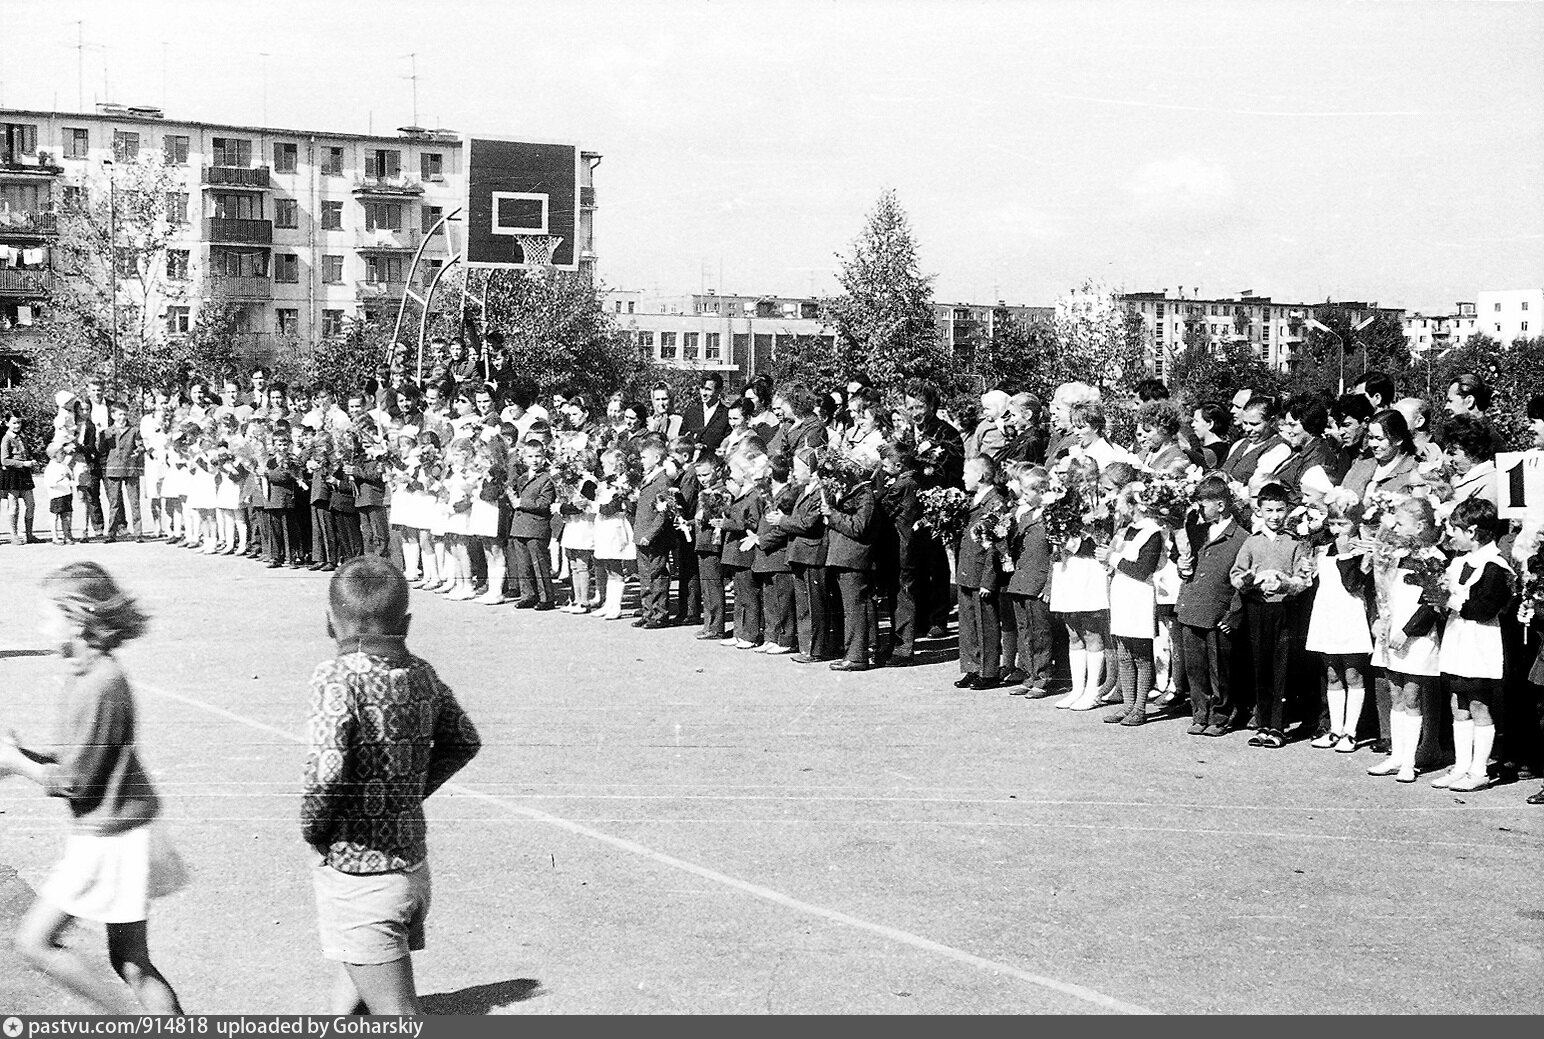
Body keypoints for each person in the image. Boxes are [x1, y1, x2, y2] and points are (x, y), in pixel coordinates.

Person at [0, 562, 187, 1013]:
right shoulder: (90, 673)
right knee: (132, 962)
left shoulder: (99, 683)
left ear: (77, 618)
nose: (42, 626)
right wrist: (30, 754)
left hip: (110, 837)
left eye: (48, 616)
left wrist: (16, 763)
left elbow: (77, 782)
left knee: (35, 941)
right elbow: (84, 756)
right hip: (122, 828)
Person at [301, 556, 481, 1015]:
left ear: (329, 623)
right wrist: (407, 792)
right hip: (411, 867)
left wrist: (315, 829)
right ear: (406, 622)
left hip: (360, 877)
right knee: (347, 1004)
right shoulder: (421, 671)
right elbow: (463, 740)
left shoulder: (336, 676)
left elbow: (326, 773)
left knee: (398, 1017)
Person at [1431, 498, 1513, 791]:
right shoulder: (1459, 562)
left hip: (1479, 643)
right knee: (1458, 703)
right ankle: (1462, 766)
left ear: (1473, 531)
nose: (1452, 534)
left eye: (1456, 529)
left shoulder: (1494, 566)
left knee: (1478, 703)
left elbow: (1482, 609)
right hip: (1458, 639)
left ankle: (1479, 771)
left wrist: (1447, 598)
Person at [1367, 497, 1445, 780]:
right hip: (1392, 631)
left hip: (1416, 636)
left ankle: (1409, 762)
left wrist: (1408, 631)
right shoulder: (1396, 556)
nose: (1395, 528)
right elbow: (1384, 592)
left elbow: (1432, 605)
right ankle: (1396, 756)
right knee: (1395, 693)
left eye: (1401, 523)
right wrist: (1380, 620)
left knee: (1412, 697)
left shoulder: (1434, 559)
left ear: (1420, 525)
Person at [1231, 482, 1311, 749]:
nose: (1275, 516)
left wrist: (1286, 584)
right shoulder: (1252, 542)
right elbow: (1236, 575)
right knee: (1260, 665)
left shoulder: (1294, 543)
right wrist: (1250, 579)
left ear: (1287, 510)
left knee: (1282, 666)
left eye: (1279, 510)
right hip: (1258, 609)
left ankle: (1278, 726)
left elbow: (1304, 578)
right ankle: (1263, 723)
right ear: (1260, 511)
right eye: (1269, 510)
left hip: (1285, 610)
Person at [1305, 490, 1376, 756]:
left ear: (1355, 524)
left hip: (1351, 615)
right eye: (1333, 523)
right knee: (1332, 673)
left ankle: (1351, 732)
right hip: (1327, 614)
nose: (1337, 530)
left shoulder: (1363, 550)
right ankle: (1334, 730)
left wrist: (1347, 554)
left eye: (1343, 524)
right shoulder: (1324, 547)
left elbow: (1354, 584)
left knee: (1352, 674)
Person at [1177, 474, 1249, 736]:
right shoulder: (1197, 531)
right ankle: (1200, 713)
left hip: (1218, 612)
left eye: (1203, 504)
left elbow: (1244, 581)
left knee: (1221, 670)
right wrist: (1182, 568)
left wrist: (1233, 614)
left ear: (1220, 504)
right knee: (1194, 668)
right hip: (1192, 606)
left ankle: (1220, 716)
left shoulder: (1240, 538)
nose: (1199, 510)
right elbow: (1189, 566)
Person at [1100, 482, 1166, 726]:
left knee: (1140, 654)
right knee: (1124, 652)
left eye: (1121, 500)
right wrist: (1107, 560)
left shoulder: (1152, 532)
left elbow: (1142, 570)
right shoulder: (1126, 530)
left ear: (1134, 504)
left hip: (1139, 594)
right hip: (1121, 592)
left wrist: (1112, 558)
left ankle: (1140, 708)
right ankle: (1127, 706)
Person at [953, 454, 1009, 690]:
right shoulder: (973, 499)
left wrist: (989, 580)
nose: (963, 477)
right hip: (967, 570)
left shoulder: (995, 502)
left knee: (986, 624)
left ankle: (988, 671)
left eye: (967, 473)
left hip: (982, 573)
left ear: (981, 476)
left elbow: (996, 546)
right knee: (967, 623)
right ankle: (971, 667)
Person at [1001, 463, 1054, 696]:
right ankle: (1028, 673)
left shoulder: (1050, 515)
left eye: (1027, 491)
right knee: (1024, 629)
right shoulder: (1024, 514)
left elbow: (1056, 553)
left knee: (1039, 631)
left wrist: (1050, 583)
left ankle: (1042, 677)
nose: (1022, 495)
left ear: (1041, 491)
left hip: (1038, 581)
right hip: (1020, 580)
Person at [774, 447, 831, 662]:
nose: (794, 473)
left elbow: (807, 524)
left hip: (812, 554)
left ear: (811, 469)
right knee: (804, 604)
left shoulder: (819, 492)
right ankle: (807, 646)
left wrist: (782, 522)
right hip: (800, 553)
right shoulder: (805, 490)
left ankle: (816, 649)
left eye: (798, 468)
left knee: (814, 605)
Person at [720, 443, 767, 648]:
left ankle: (750, 634)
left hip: (745, 552)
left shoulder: (753, 495)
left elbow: (752, 523)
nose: (730, 475)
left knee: (748, 595)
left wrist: (726, 523)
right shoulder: (741, 494)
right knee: (739, 595)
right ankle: (739, 632)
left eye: (733, 470)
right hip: (735, 551)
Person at [507, 439, 557, 610]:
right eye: (530, 456)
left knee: (539, 564)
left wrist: (521, 502)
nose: (534, 460)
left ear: (544, 457)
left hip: (537, 527)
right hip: (520, 525)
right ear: (524, 458)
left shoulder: (546, 479)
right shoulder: (522, 478)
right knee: (523, 564)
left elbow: (544, 503)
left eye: (538, 456)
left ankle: (546, 597)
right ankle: (528, 595)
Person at [631, 436, 675, 628]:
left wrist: (650, 534)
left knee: (656, 574)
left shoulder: (662, 480)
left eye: (643, 457)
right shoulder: (649, 478)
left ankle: (659, 613)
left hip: (653, 537)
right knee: (645, 575)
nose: (641, 461)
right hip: (642, 533)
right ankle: (647, 611)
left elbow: (664, 513)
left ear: (656, 458)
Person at [1341, 409, 1419, 502]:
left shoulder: (1416, 471)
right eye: (1371, 437)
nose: (1373, 444)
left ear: (1398, 439)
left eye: (1379, 439)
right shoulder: (1359, 467)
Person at [99, 400, 144, 543]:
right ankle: (111, 533)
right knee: (114, 503)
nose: (123, 417)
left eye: (125, 414)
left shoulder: (134, 430)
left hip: (131, 469)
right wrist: (101, 438)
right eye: (119, 414)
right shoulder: (107, 432)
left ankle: (138, 533)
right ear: (112, 415)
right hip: (113, 469)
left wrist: (138, 451)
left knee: (134, 502)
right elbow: (101, 450)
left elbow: (140, 446)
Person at [2, 411, 39, 543]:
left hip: (25, 474)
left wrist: (31, 462)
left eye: (19, 422)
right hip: (13, 475)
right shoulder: (6, 439)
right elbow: (4, 460)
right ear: (7, 423)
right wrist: (23, 463)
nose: (17, 425)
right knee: (14, 505)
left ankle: (29, 534)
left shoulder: (23, 437)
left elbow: (25, 454)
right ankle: (14, 535)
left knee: (31, 504)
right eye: (14, 423)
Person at [680, 373, 731, 454]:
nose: (703, 393)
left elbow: (728, 443)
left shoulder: (727, 415)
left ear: (719, 391)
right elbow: (681, 441)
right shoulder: (690, 413)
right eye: (702, 388)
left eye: (708, 389)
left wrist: (707, 448)